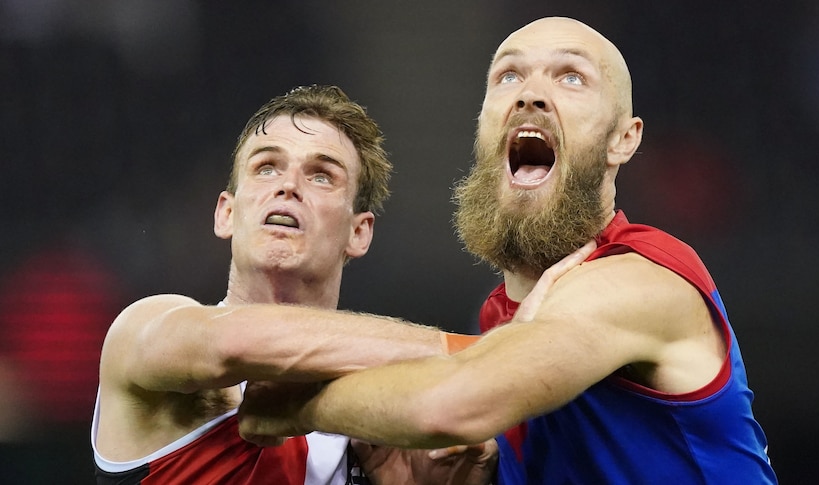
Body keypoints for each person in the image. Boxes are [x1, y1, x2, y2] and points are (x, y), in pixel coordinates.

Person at [236, 17, 780, 484]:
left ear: (624, 139)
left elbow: (453, 403)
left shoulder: (642, 280)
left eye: (571, 77)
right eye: (509, 75)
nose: (530, 93)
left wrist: (293, 407)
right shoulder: (502, 321)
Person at [90, 85, 501, 485]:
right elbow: (236, 342)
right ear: (226, 214)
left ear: (359, 233)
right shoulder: (144, 331)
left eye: (322, 176)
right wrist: (488, 354)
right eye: (266, 167)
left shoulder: (383, 426)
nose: (287, 186)